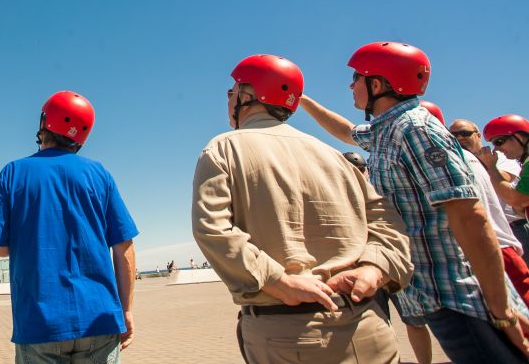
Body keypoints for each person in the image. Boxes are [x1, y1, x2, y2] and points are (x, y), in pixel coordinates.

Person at [299, 41, 529, 363]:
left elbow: (470, 217)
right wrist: (303, 101)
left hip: (460, 295)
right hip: (434, 293)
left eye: (356, 78)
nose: (351, 85)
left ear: (376, 84)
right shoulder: (389, 129)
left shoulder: (416, 130)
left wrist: (501, 308)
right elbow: (348, 131)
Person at [192, 54, 412, 364]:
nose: (229, 101)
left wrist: (277, 282)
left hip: (286, 334)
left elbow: (212, 229)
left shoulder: (223, 148)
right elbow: (386, 220)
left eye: (231, 93)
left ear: (248, 96)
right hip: (369, 326)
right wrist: (374, 268)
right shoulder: (333, 155)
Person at [0, 91, 138, 363]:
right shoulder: (100, 174)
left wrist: (31, 243)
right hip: (101, 320)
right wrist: (127, 311)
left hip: (40, 324)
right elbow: (125, 248)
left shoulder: (13, 173)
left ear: (44, 123)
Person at [448, 117, 529, 307]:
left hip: (512, 231)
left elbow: (515, 199)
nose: (498, 148)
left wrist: (490, 166)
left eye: (500, 141)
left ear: (519, 137)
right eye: (453, 135)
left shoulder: (498, 160)